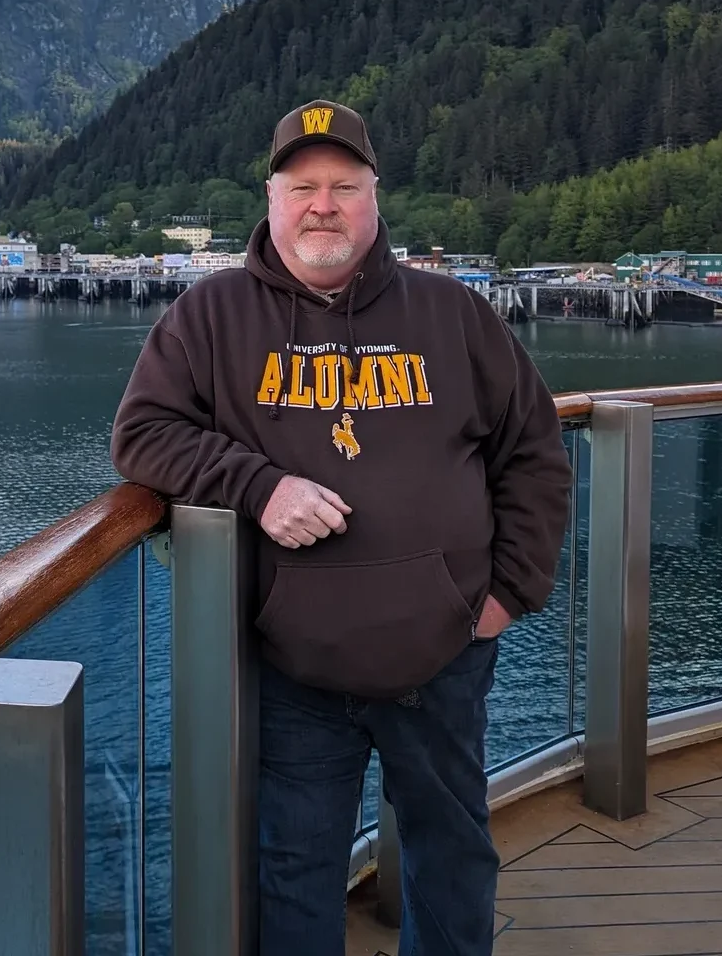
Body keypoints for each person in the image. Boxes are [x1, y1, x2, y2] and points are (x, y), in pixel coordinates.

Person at [111, 100, 573, 955]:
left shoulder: (454, 315)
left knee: (453, 855)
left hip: (446, 654)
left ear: (374, 199)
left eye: (344, 186)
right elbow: (140, 436)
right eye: (303, 186)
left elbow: (536, 451)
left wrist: (509, 592)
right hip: (295, 670)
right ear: (272, 197)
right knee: (293, 869)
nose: (322, 204)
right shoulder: (210, 317)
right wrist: (256, 484)